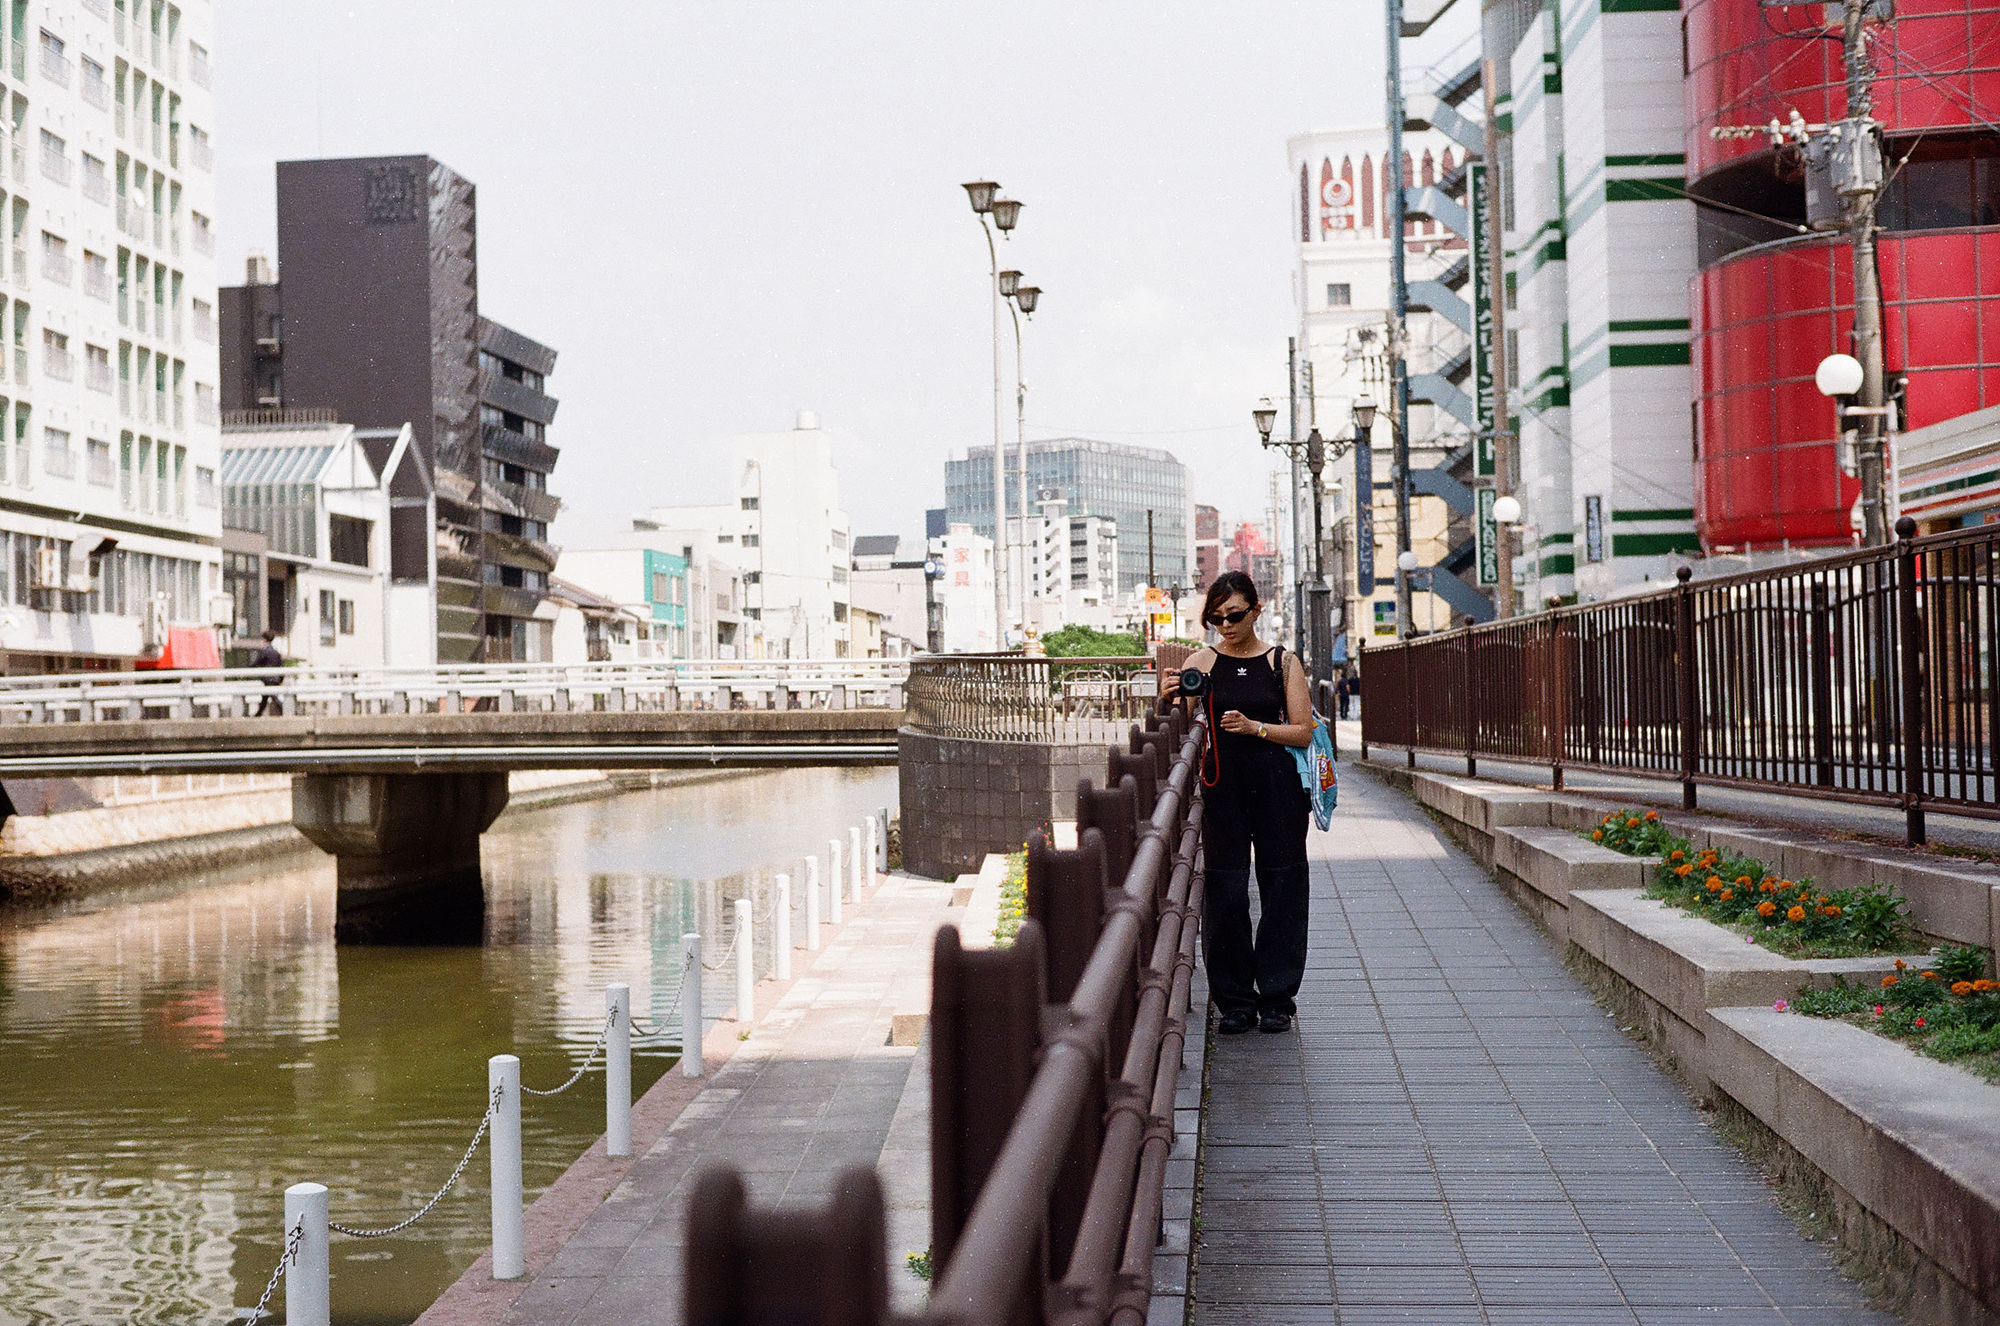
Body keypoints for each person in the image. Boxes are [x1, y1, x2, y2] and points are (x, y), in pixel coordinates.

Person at [1162, 570, 1315, 1035]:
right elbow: (1182, 726)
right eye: (1216, 618)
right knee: (1225, 890)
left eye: (1234, 615)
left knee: (1283, 888)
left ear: (1256, 610)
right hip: (1222, 788)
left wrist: (1255, 728)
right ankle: (1234, 1001)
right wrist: (1169, 699)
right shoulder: (1201, 662)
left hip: (1279, 788)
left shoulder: (1282, 662)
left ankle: (1277, 998)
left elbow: (1303, 731)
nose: (1225, 626)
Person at [251, 630, 284, 716]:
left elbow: (257, 663)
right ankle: (258, 714)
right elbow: (281, 666)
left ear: (264, 639)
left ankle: (283, 712)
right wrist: (281, 679)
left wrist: (248, 668)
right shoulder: (276, 652)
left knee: (272, 696)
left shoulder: (264, 651)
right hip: (275, 678)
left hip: (267, 678)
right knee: (266, 696)